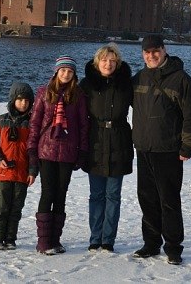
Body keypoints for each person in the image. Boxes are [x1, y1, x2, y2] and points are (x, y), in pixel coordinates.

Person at [131, 34, 191, 266]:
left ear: (164, 50)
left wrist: (187, 147)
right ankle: (151, 243)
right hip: (144, 148)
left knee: (169, 200)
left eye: (155, 51)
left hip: (170, 151)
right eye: (147, 52)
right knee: (147, 199)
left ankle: (173, 247)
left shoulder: (181, 79)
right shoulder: (140, 77)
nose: (151, 56)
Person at [27, 55, 89, 255]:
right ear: (56, 72)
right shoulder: (44, 93)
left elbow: (83, 126)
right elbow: (35, 123)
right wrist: (32, 150)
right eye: (63, 70)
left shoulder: (78, 96)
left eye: (70, 72)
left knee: (61, 195)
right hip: (46, 150)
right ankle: (43, 241)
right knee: (48, 193)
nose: (66, 74)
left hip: (68, 152)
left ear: (74, 75)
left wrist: (82, 151)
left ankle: (56, 240)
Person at [79, 43, 133, 252]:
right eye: (104, 60)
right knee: (96, 194)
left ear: (117, 63)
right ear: (97, 62)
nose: (108, 64)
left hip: (119, 141)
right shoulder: (87, 85)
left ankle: (108, 239)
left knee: (113, 195)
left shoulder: (126, 84)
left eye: (112, 61)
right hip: (96, 141)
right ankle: (95, 238)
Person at [0, 82, 36, 250]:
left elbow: (35, 150)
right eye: (20, 100)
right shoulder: (0, 122)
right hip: (3, 173)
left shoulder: (32, 125)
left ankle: (10, 238)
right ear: (13, 100)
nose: (23, 104)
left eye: (27, 101)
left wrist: (33, 171)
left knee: (16, 209)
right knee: (0, 207)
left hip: (22, 174)